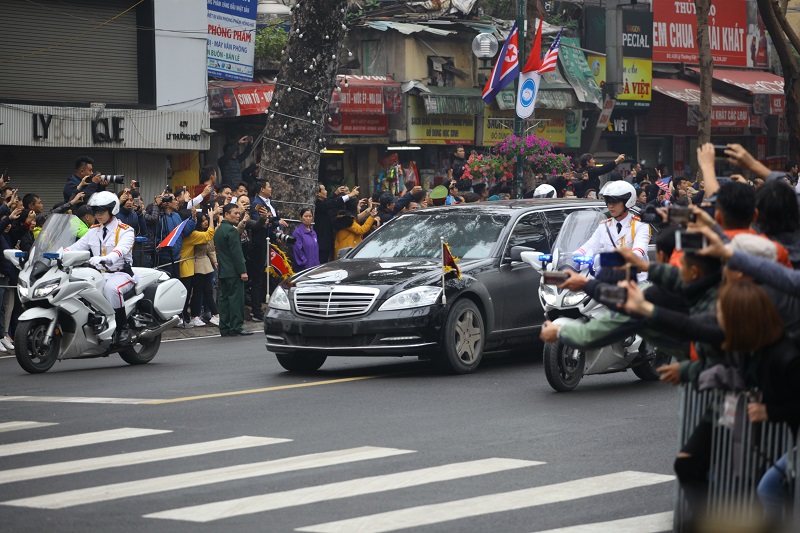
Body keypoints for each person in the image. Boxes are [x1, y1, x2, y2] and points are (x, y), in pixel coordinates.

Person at [63, 191, 135, 344]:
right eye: (96, 211)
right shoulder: (93, 230)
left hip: (120, 274)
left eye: (102, 211)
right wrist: (56, 254)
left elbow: (120, 251)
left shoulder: (125, 230)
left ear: (112, 210)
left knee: (111, 289)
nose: (98, 214)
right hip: (99, 274)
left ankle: (123, 328)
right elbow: (75, 247)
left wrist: (105, 259)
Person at [574, 181, 650, 282]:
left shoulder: (640, 225)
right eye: (608, 202)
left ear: (627, 202)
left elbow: (637, 253)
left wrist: (602, 259)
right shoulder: (604, 226)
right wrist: (575, 254)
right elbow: (590, 245)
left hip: (635, 281)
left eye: (614, 202)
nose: (610, 206)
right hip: (610, 279)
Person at [250, 179, 288, 321]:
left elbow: (275, 220)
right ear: (261, 189)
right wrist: (274, 222)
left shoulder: (270, 203)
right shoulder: (256, 204)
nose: (271, 188)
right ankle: (256, 309)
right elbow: (259, 223)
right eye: (269, 186)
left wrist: (278, 229)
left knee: (272, 275)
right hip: (260, 244)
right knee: (258, 277)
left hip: (271, 241)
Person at [214, 203, 253, 337]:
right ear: (226, 214)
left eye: (238, 213)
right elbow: (237, 253)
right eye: (235, 213)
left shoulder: (219, 230)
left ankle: (224, 327)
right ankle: (236, 326)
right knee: (236, 300)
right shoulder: (231, 230)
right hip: (233, 271)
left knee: (224, 300)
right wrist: (243, 271)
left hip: (223, 271)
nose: (238, 216)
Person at [315, 183, 357, 264]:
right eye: (324, 189)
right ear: (318, 193)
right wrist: (349, 195)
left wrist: (336, 193)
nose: (326, 191)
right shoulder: (318, 205)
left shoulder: (323, 202)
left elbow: (329, 201)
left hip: (327, 241)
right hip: (322, 243)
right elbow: (332, 203)